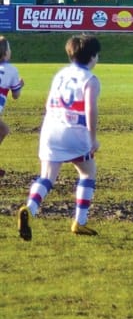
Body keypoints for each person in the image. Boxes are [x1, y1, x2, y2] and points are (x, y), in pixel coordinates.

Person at [18, 35, 101, 241]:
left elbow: (49, 103)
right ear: (93, 56)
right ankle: (79, 222)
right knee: (88, 173)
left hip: (51, 130)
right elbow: (90, 109)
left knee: (46, 176)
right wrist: (92, 138)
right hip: (75, 133)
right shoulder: (90, 79)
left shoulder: (61, 74)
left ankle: (30, 208)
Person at [0, 37, 25, 178]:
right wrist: (20, 84)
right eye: (9, 48)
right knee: (2, 130)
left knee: (2, 129)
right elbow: (16, 95)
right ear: (5, 53)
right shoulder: (11, 70)